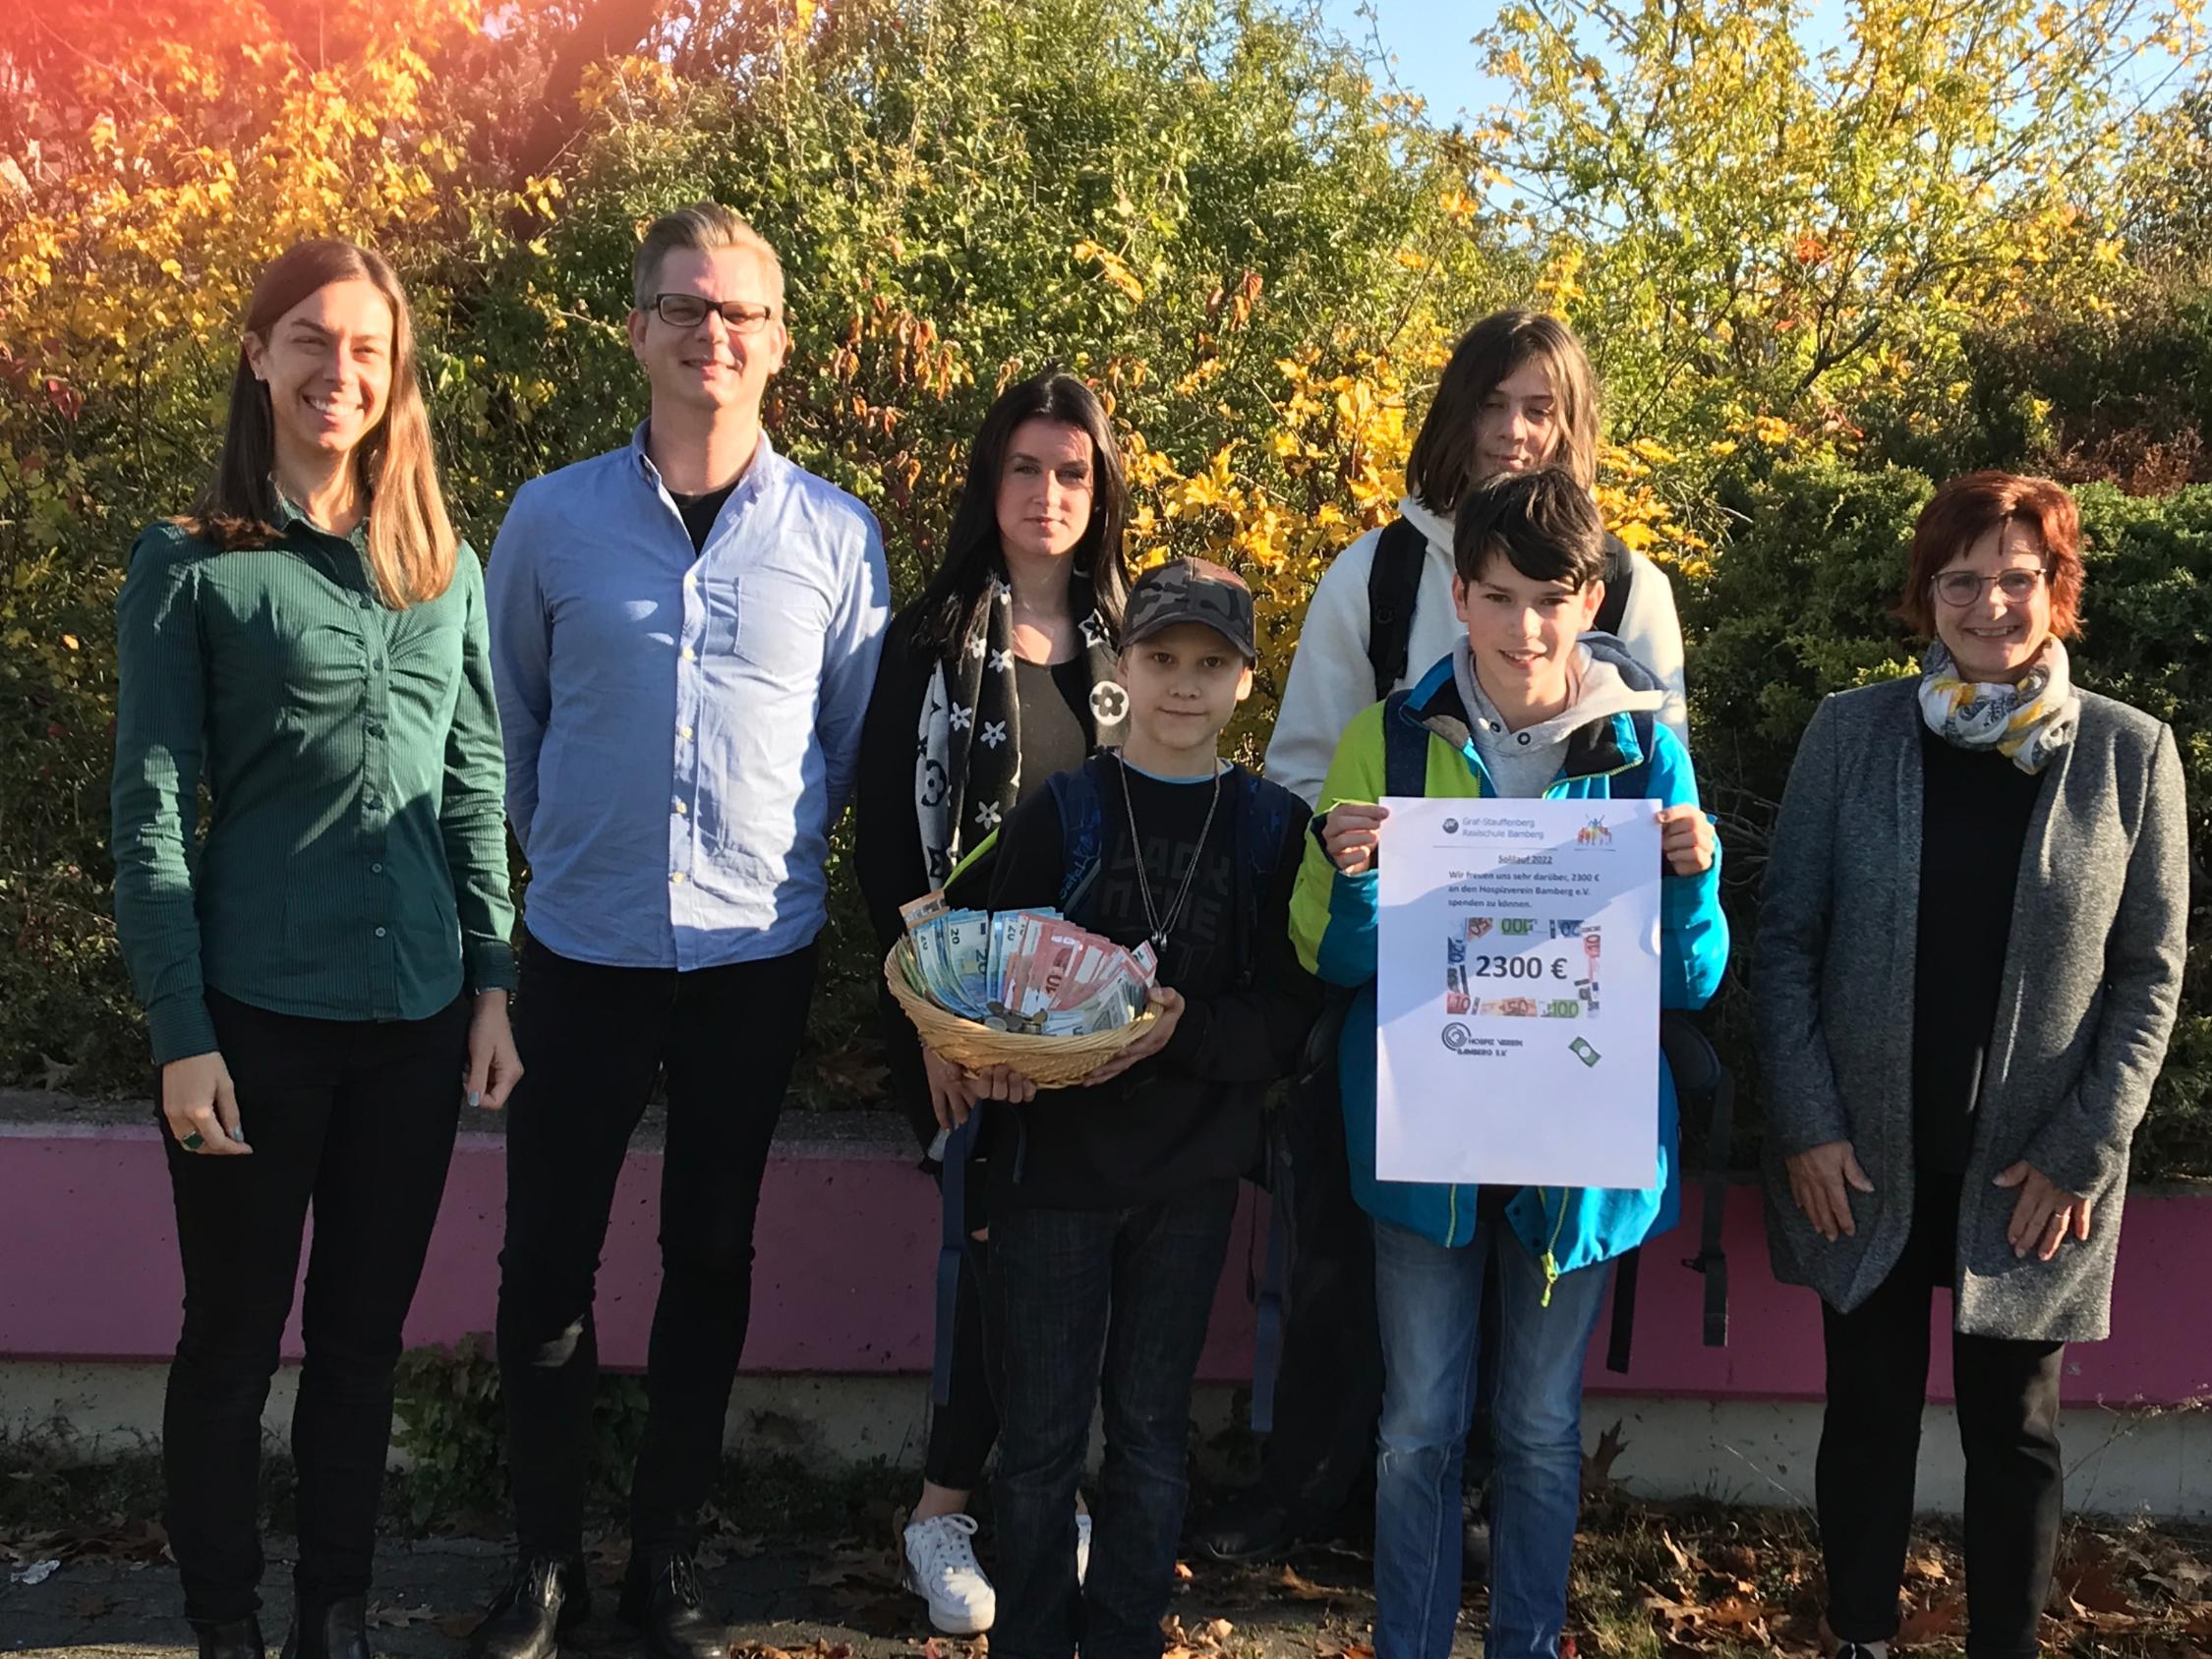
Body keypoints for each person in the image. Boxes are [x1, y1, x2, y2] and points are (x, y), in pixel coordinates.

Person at [470, 203, 890, 1659]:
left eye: (737, 312)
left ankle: (664, 1557)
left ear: (778, 343)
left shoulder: (838, 537)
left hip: (748, 964)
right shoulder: (547, 519)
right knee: (544, 1269)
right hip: (579, 952)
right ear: (637, 325)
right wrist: (565, 848)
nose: (709, 331)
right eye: (681, 305)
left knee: (708, 1260)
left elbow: (845, 745)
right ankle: (539, 1565)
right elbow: (509, 718)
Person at [1208, 307, 1690, 1564]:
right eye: (1493, 403)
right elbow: (1306, 766)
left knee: (1523, 1303)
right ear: (1455, 413)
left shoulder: (1632, 587)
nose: (1515, 429)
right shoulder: (1373, 572)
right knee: (1350, 1259)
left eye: (1541, 406)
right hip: (1394, 995)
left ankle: (1475, 1519)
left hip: (1559, 1007)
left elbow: (1651, 787)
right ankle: (1315, 1497)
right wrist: (1356, 864)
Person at [110, 239, 522, 1659]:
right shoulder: (190, 564)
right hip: (249, 1020)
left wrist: (491, 982)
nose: (336, 370)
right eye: (308, 340)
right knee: (230, 1348)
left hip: (413, 1021)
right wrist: (178, 1032)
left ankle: (329, 1621)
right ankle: (224, 1630)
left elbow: (475, 781)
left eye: (364, 346)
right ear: (258, 355)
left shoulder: (440, 563)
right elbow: (151, 808)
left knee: (359, 1348)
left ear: (395, 367)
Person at [1290, 469, 1725, 1659]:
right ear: (1457, 593)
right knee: (1417, 1426)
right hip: (1423, 1137)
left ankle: (1525, 1643)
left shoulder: (1647, 749)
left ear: (1590, 598)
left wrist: (1693, 884)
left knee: (1538, 1425)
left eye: (1551, 598)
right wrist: (1359, 873)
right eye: (1498, 595)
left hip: (1575, 1146)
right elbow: (1327, 955)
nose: (1526, 627)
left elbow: (1689, 983)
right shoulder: (1385, 737)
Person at [1754, 471, 2187, 1659]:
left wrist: (2085, 1147)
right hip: (1865, 1155)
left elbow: (2151, 976)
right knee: (1870, 1415)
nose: (1989, 601)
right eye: (1961, 577)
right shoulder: (1851, 733)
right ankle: (1862, 1636)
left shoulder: (2129, 754)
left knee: (2018, 1430)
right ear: (1925, 592)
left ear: (2058, 587)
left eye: (2017, 575)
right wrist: (1806, 1118)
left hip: (2034, 1173)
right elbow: (1786, 936)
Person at [941, 557, 1322, 1659]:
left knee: (1153, 1433)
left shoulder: (1268, 827)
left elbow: (1291, 1013)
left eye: (1211, 664)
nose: (1184, 685)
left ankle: (1123, 1636)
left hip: (1189, 1179)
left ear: (1247, 680)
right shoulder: (1063, 812)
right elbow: (984, 969)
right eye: (1162, 658)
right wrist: (1001, 1063)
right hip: (1054, 1177)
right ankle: (1032, 1641)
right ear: (1125, 668)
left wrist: (1185, 1029)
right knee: (1042, 1438)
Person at [852, 372, 1134, 1634]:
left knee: (1070, 1264)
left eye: (1073, 472)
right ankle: (940, 1509)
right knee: (986, 1255)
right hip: (957, 1021)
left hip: (1087, 1030)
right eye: (1027, 467)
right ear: (992, 480)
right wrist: (938, 1024)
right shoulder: (931, 637)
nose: (1049, 493)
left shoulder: (1131, 645)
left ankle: (1040, 1490)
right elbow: (882, 846)